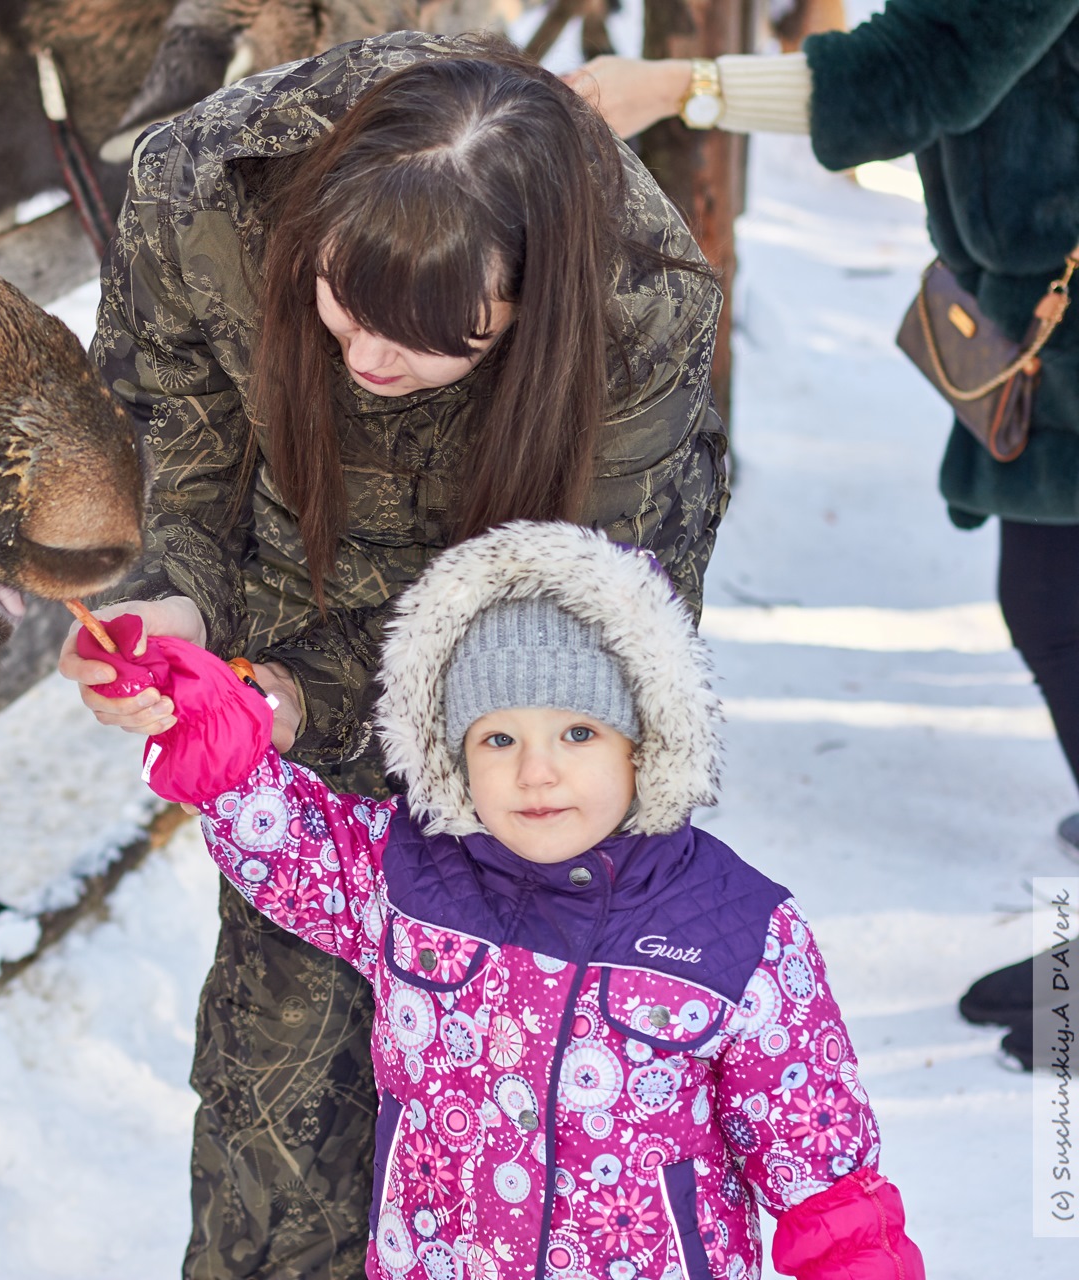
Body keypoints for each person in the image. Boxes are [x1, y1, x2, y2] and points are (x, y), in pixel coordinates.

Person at [64, 31, 728, 1279]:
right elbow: (177, 448)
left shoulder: (638, 300)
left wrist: (315, 696)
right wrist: (174, 607)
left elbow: (571, 615)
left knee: (521, 1090)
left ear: (532, 304)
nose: (369, 360)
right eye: (340, 303)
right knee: (285, 1092)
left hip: (525, 682)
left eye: (436, 341)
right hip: (295, 586)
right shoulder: (203, 194)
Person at [75, 521, 927, 1280]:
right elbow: (281, 836)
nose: (536, 770)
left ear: (648, 740)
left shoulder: (736, 932)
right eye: (498, 738)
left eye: (580, 733)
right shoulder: (405, 875)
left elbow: (827, 1179)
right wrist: (200, 723)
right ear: (454, 754)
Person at [570, 0, 1079, 1072]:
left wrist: (679, 86)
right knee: (1054, 605)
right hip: (1041, 302)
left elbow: (932, 69)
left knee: (1059, 609)